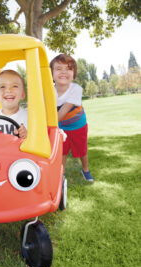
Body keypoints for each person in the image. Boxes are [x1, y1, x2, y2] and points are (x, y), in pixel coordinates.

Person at [50, 54, 94, 182]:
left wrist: (45, 124)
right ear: (51, 73)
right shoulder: (49, 91)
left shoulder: (76, 89)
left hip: (78, 125)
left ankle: (85, 169)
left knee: (82, 150)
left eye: (68, 68)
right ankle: (61, 174)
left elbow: (63, 111)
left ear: (73, 73)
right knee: (62, 150)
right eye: (58, 68)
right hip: (61, 126)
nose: (64, 72)